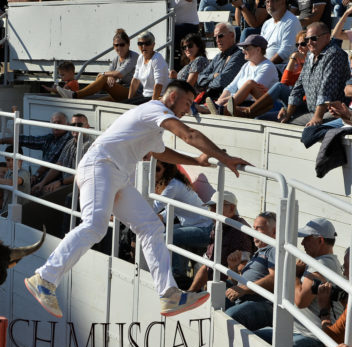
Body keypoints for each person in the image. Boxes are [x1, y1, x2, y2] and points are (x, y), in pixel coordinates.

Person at [24, 80, 250, 319]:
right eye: (186, 103)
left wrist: (197, 160)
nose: (187, 110)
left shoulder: (153, 124)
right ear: (171, 97)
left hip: (117, 175)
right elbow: (189, 134)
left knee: (151, 226)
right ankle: (44, 278)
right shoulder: (155, 110)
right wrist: (223, 156)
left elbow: (158, 152)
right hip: (100, 167)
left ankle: (169, 295)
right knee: (94, 225)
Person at [254, 218, 344, 347]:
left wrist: (294, 274)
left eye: (306, 239)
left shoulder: (323, 263)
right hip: (300, 333)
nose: (302, 244)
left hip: (316, 339)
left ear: (320, 240)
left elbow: (301, 301)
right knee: (252, 339)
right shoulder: (320, 261)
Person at [277, 22, 349, 125]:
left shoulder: (335, 54)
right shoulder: (310, 55)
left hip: (333, 112)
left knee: (305, 128)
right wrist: (288, 112)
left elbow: (326, 89)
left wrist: (317, 117)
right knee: (275, 120)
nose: (309, 43)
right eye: (307, 40)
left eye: (314, 38)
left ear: (327, 37)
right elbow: (298, 87)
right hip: (311, 110)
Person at [153, 160, 214, 283]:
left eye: (158, 169)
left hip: (204, 230)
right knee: (167, 232)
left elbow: (155, 206)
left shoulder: (173, 185)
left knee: (167, 236)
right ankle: (175, 271)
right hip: (197, 226)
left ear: (167, 170)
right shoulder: (175, 183)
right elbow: (173, 210)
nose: (154, 173)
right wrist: (161, 217)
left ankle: (178, 276)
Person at [187, 190, 255, 292]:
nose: (212, 211)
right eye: (211, 207)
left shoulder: (240, 231)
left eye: (216, 207)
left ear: (232, 208)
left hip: (229, 287)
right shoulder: (219, 225)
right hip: (216, 281)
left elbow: (243, 266)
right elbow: (208, 263)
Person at [231, 28, 307, 117]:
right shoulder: (296, 65)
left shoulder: (267, 66)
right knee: (259, 118)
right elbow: (285, 82)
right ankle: (224, 108)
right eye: (297, 44)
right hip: (288, 101)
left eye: (303, 44)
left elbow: (282, 86)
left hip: (300, 103)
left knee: (251, 84)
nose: (299, 48)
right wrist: (293, 59)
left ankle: (243, 111)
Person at [223, 211, 277, 331]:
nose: (254, 232)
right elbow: (239, 284)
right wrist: (233, 268)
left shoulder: (273, 250)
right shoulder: (259, 252)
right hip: (246, 298)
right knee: (211, 300)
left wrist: (243, 289)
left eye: (259, 229)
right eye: (254, 228)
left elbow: (274, 279)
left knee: (229, 317)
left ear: (274, 232)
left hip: (263, 303)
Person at [0, 111, 71, 187]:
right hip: (44, 179)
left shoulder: (68, 140)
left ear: (67, 124)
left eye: (59, 122)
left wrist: (37, 177)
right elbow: (27, 140)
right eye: (54, 122)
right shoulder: (50, 138)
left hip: (59, 182)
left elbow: (51, 161)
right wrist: (1, 141)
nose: (56, 125)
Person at [203, 34, 279, 115]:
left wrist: (225, 101)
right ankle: (214, 108)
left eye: (246, 48)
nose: (243, 51)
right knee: (218, 105)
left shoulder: (268, 67)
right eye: (243, 48)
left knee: (250, 83)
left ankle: (216, 109)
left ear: (258, 50)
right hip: (242, 103)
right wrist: (220, 101)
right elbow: (232, 86)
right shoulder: (246, 65)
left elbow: (249, 94)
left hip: (261, 106)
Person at [58, 29, 138, 102]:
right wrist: (110, 76)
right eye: (116, 45)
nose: (119, 48)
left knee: (102, 77)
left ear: (128, 44)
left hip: (133, 93)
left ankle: (76, 95)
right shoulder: (116, 59)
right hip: (119, 91)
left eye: (122, 45)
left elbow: (120, 73)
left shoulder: (133, 56)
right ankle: (76, 96)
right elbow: (111, 73)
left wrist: (104, 74)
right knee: (98, 102)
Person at [31, 113, 93, 195]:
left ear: (87, 127)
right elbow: (59, 164)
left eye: (79, 125)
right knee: (39, 189)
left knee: (46, 192)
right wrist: (42, 182)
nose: (76, 127)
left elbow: (84, 174)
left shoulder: (90, 145)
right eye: (73, 125)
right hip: (66, 183)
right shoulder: (70, 143)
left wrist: (60, 182)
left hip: (79, 186)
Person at [196, 23, 247, 103]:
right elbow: (199, 79)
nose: (217, 40)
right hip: (210, 98)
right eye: (215, 37)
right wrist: (213, 76)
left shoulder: (239, 55)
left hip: (224, 99)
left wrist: (206, 84)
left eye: (220, 36)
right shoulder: (218, 57)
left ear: (232, 35)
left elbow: (222, 82)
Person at [127, 31, 170, 103]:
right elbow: (135, 81)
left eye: (147, 43)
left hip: (158, 97)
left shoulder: (157, 59)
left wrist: (152, 105)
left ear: (153, 45)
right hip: (145, 96)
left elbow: (159, 84)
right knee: (124, 104)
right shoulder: (141, 57)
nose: (143, 46)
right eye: (140, 44)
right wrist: (129, 99)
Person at [261, 0, 302, 65]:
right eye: (267, 2)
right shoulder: (266, 24)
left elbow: (285, 52)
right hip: (264, 65)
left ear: (283, 1)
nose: (270, 4)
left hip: (281, 67)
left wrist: (266, 66)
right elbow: (260, 47)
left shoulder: (291, 21)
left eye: (273, 1)